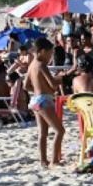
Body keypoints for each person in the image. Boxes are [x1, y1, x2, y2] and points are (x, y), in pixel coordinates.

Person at [26, 36, 64, 166]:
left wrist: (39, 89)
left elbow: (26, 85)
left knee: (42, 133)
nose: (51, 56)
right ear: (42, 51)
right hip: (44, 101)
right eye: (50, 53)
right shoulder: (42, 65)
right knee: (60, 131)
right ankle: (55, 160)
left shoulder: (32, 65)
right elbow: (53, 84)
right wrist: (62, 78)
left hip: (35, 100)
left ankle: (43, 160)